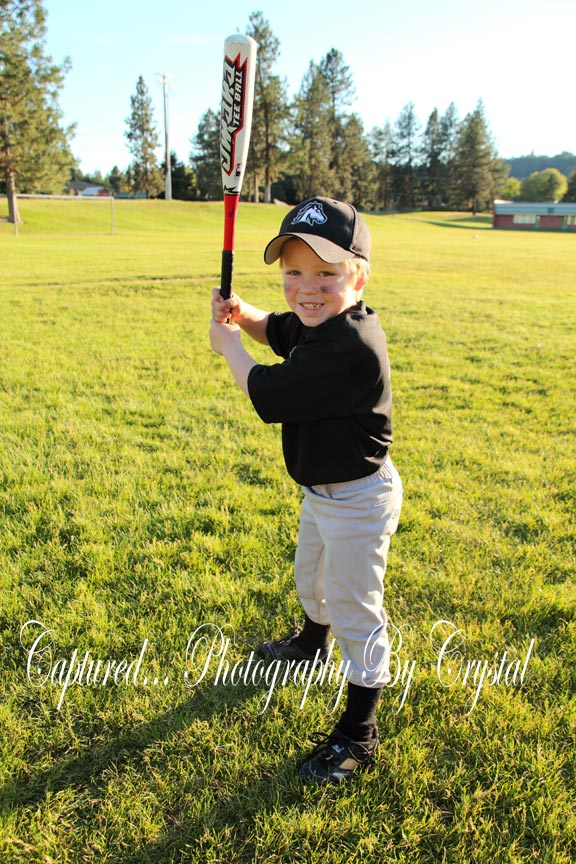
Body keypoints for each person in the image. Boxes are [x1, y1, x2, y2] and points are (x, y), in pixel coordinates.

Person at [209, 196, 402, 785]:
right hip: (323, 491)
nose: (307, 288)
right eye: (294, 272)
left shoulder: (347, 347)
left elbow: (269, 394)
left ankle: (358, 733)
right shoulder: (322, 322)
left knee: (354, 607)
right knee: (310, 575)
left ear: (359, 278)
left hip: (358, 498)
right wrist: (242, 314)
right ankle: (311, 645)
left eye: (326, 273)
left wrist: (228, 346)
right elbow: (278, 327)